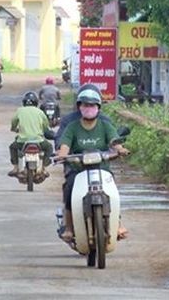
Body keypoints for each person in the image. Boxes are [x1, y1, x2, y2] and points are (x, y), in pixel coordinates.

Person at [55, 88, 130, 242]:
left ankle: (118, 224)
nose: (88, 108)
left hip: (102, 168)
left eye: (92, 105)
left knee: (112, 192)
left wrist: (120, 149)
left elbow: (114, 141)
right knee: (69, 189)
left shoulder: (105, 125)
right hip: (78, 169)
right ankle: (69, 227)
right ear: (79, 107)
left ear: (98, 107)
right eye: (85, 105)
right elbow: (65, 145)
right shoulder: (72, 126)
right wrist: (62, 154)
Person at [8, 91, 53, 177]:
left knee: (12, 147)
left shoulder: (20, 111)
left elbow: (14, 122)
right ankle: (44, 168)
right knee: (49, 148)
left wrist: (14, 129)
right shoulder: (40, 112)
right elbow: (46, 125)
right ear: (36, 102)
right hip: (39, 141)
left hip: (22, 141)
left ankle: (16, 167)